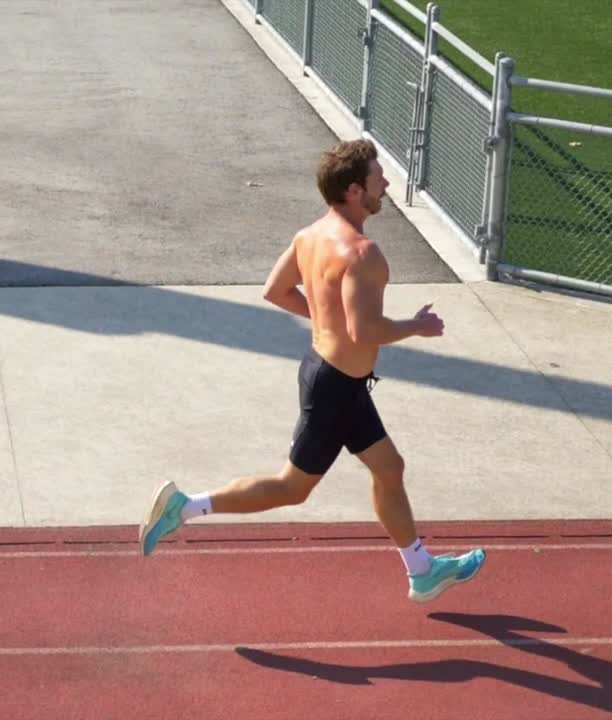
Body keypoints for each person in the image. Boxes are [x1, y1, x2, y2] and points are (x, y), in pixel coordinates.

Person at [138, 139, 484, 603]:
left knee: (389, 467)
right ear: (355, 190)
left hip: (335, 378)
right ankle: (183, 508)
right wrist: (416, 327)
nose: (386, 183)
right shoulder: (363, 254)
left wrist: (325, 318)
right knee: (292, 488)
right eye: (378, 177)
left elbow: (275, 290)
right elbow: (364, 331)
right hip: (334, 389)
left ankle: (421, 571)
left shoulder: (311, 236)